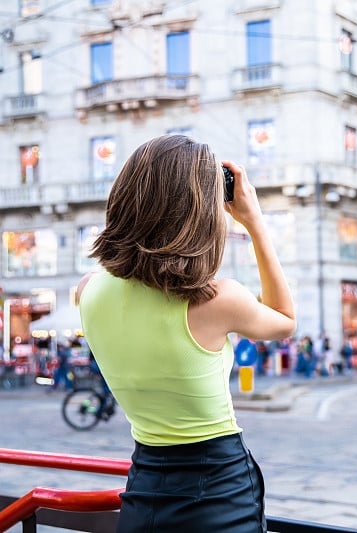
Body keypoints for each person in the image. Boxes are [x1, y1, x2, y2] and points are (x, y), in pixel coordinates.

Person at [77, 134, 295, 533]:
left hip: (144, 487)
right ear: (200, 213)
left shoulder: (87, 290)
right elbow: (283, 318)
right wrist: (254, 221)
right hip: (218, 490)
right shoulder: (217, 299)